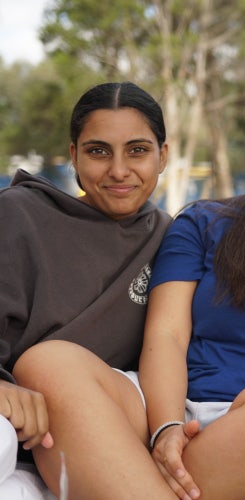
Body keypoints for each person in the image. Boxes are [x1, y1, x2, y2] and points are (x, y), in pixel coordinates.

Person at [17, 65, 245, 499]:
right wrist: (166, 427)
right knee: (47, 363)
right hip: (169, 409)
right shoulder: (204, 221)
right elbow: (167, 335)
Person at [0, 82, 171, 497]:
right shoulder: (19, 216)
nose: (118, 170)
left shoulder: (171, 237)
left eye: (137, 150)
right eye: (98, 151)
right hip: (18, 437)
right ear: (74, 155)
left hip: (107, 451)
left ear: (163, 156)